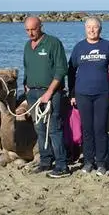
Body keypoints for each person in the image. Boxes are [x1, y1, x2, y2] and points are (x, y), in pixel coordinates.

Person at [23, 15, 70, 178]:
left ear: (41, 26)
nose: (30, 33)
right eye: (27, 30)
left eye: (33, 29)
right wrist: (26, 86)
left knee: (54, 129)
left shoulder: (53, 43)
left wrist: (49, 93)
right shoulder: (28, 46)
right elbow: (26, 67)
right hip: (33, 94)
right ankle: (45, 161)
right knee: (39, 128)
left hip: (51, 93)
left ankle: (62, 165)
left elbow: (61, 69)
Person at [68, 16, 109, 176]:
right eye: (89, 27)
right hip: (82, 94)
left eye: (95, 27)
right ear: (85, 29)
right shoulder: (79, 47)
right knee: (86, 129)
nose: (92, 30)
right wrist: (72, 93)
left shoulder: (107, 46)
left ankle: (101, 162)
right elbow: (71, 71)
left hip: (102, 94)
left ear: (100, 29)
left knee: (100, 129)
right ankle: (88, 162)